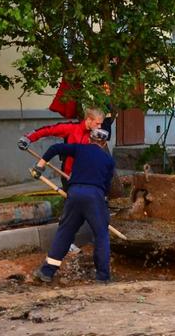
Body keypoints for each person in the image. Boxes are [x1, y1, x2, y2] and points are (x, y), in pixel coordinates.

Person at [30, 123, 115, 284]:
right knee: (101, 235)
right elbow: (107, 186)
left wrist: (40, 166)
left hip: (74, 194)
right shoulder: (108, 160)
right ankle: (103, 277)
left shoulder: (80, 149)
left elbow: (55, 148)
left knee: (65, 232)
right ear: (104, 143)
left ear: (90, 139)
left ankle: (47, 272)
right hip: (95, 196)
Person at [18, 108, 107, 189]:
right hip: (67, 174)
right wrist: (28, 138)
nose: (99, 127)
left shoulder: (96, 137)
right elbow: (48, 130)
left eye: (101, 124)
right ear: (88, 119)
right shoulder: (71, 128)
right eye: (97, 123)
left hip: (86, 177)